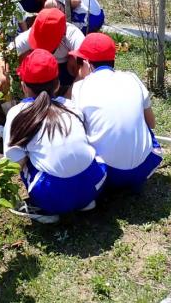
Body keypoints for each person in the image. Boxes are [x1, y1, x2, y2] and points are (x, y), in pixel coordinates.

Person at [5, 49, 107, 223]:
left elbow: (13, 164)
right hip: (94, 184)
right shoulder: (70, 106)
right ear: (57, 84)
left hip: (52, 196)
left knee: (26, 159)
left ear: (23, 86)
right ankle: (84, 201)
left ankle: (45, 209)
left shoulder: (18, 113)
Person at [69, 33, 162, 191]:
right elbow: (151, 123)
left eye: (79, 62)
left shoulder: (79, 88)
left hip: (106, 173)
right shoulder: (132, 78)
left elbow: (77, 135)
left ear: (86, 63)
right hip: (145, 167)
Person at [6, 7, 84, 96]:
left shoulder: (73, 35)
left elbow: (87, 67)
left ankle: (67, 88)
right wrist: (4, 76)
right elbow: (7, 53)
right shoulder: (31, 33)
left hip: (65, 69)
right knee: (23, 54)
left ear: (63, 34)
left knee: (78, 60)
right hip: (41, 69)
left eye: (47, 44)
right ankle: (31, 90)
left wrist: (68, 95)